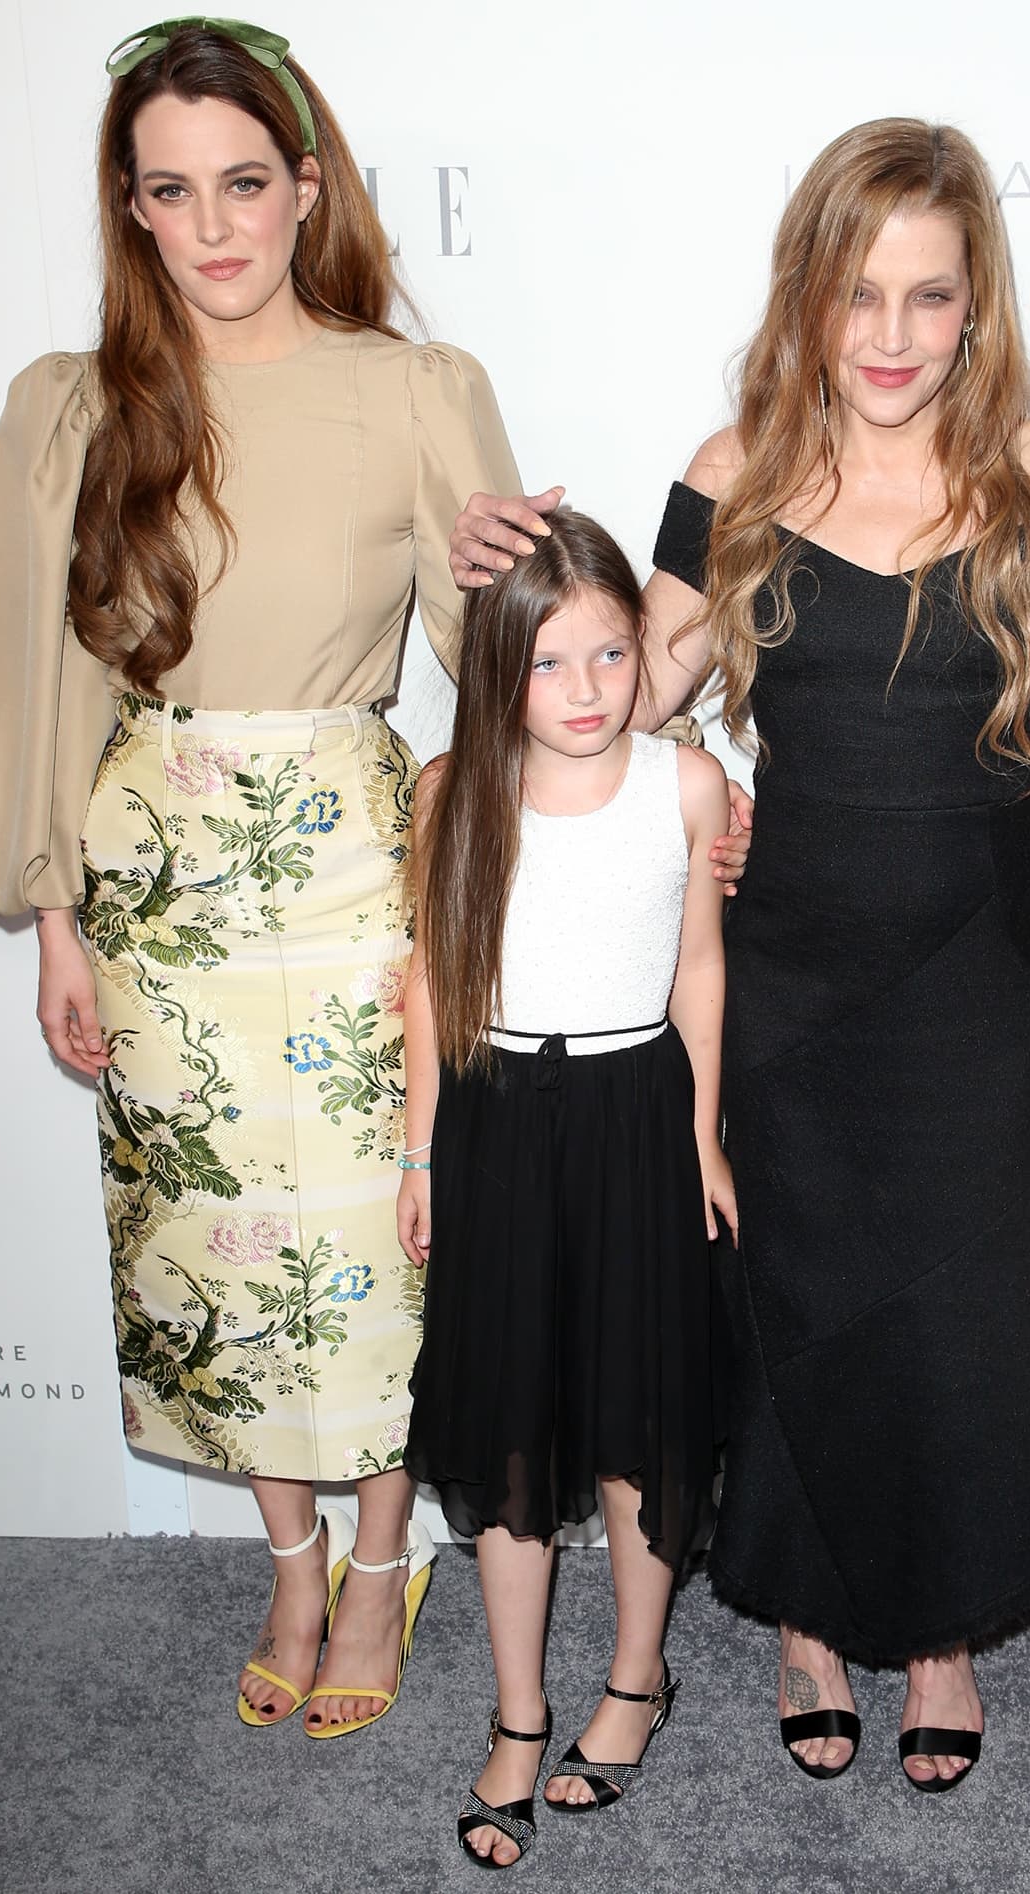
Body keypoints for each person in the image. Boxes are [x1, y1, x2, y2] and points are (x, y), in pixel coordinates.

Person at [449, 118, 1030, 1792]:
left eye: (928, 298)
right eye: (859, 295)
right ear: (807, 297)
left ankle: (949, 1629)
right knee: (801, 1297)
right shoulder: (743, 464)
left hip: (978, 966)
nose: (892, 337)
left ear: (976, 305)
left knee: (970, 1311)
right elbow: (650, 678)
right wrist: (528, 573)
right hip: (795, 974)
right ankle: (814, 1629)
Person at [0, 18, 525, 1736]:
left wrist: (516, 580)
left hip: (351, 866)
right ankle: (287, 1557)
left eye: (246, 184)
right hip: (154, 884)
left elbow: (501, 679)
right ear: (130, 210)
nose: (213, 227)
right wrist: (56, 914)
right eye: (170, 191)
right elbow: (38, 678)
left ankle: (379, 1552)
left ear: (308, 188)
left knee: (372, 1237)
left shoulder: (417, 391)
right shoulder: (71, 409)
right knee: (202, 1231)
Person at [397, 509, 734, 1870]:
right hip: (496, 1121)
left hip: (638, 1111)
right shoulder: (451, 789)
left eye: (611, 654)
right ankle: (522, 1712)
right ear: (500, 670)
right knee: (512, 1426)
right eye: (552, 662)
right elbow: (435, 980)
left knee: (638, 1423)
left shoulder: (689, 783)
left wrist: (706, 1136)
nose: (588, 689)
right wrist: (423, 1152)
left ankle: (637, 1678)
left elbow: (701, 967)